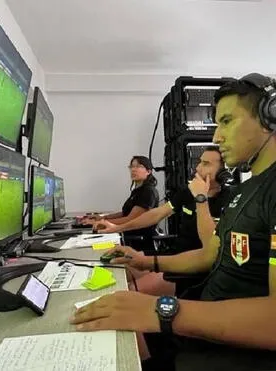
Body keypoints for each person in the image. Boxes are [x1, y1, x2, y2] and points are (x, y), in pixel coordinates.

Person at [69, 74, 276, 371]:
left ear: (271, 115)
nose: (217, 136)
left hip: (231, 350)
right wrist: (145, 260)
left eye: (227, 121)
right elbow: (210, 254)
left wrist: (164, 311)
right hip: (203, 323)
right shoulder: (247, 191)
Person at [95, 147, 233, 295]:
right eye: (199, 162)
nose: (198, 168)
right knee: (117, 271)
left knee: (124, 291)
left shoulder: (230, 199)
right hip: (173, 254)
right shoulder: (188, 192)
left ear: (223, 173)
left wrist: (201, 197)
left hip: (191, 268)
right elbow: (157, 214)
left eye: (206, 164)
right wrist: (116, 228)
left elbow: (210, 247)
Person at [81, 156, 160, 252]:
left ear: (148, 171)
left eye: (138, 166)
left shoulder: (148, 191)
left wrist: (104, 223)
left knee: (96, 249)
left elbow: (131, 219)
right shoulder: (138, 190)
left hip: (139, 241)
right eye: (131, 167)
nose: (133, 169)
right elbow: (124, 213)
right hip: (127, 235)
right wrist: (103, 218)